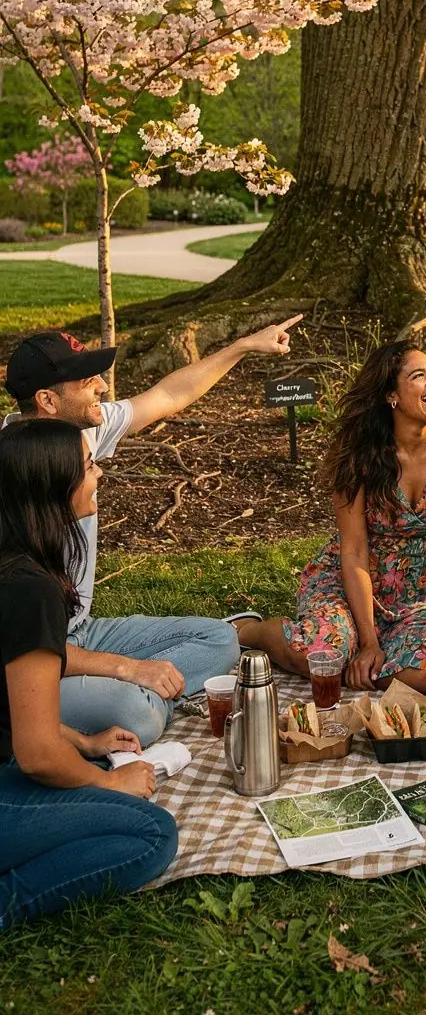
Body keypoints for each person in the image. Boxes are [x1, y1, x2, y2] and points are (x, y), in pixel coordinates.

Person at [2, 317, 301, 745]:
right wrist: (127, 669)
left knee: (220, 639)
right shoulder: (12, 474)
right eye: (88, 381)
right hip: (27, 652)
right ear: (48, 400)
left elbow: (168, 394)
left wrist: (243, 346)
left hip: (82, 631)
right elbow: (19, 635)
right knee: (134, 714)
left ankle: (144, 693)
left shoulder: (85, 430)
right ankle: (134, 700)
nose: (103, 388)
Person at [237, 341, 426, 693]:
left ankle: (355, 664)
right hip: (351, 577)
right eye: (418, 375)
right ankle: (250, 630)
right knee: (322, 655)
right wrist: (368, 642)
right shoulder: (358, 454)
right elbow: (353, 550)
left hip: (424, 592)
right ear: (391, 396)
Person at [0, 419, 178, 929]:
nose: (98, 473)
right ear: (55, 487)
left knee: (94, 775)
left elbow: (14, 709)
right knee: (151, 833)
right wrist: (117, 785)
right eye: (88, 465)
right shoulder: (28, 589)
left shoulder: (11, 567)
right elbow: (35, 755)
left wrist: (86, 743)